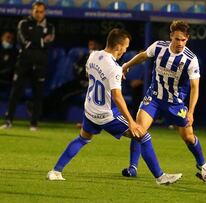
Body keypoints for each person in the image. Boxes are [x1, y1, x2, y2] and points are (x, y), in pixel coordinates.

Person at [46, 28, 182, 185]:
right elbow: (117, 97)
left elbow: (89, 76)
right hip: (107, 114)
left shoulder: (93, 56)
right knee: (143, 136)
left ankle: (55, 171)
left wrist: (109, 79)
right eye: (125, 47)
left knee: (83, 138)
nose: (125, 50)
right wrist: (131, 122)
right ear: (118, 46)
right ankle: (160, 177)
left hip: (90, 110)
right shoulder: (114, 68)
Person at [121, 20, 205, 177]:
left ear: (187, 39)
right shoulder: (159, 46)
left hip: (175, 104)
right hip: (153, 98)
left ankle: (202, 165)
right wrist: (127, 65)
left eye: (183, 40)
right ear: (171, 35)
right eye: (177, 38)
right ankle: (133, 168)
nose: (180, 43)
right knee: (139, 130)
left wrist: (191, 111)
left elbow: (195, 87)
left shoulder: (190, 59)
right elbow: (143, 56)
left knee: (188, 137)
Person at [0, 1, 55, 131]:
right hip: (24, 63)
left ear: (44, 12)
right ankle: (8, 121)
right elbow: (25, 43)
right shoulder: (23, 24)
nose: (39, 14)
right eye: (36, 11)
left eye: (41, 11)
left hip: (40, 64)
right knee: (15, 92)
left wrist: (36, 41)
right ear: (32, 11)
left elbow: (48, 43)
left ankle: (34, 123)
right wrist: (41, 40)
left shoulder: (50, 26)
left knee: (38, 94)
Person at [42, 39, 101, 120]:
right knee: (58, 91)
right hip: (79, 82)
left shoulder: (101, 58)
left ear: (98, 45)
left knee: (65, 95)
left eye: (93, 44)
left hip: (90, 85)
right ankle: (41, 111)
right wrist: (79, 73)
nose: (91, 46)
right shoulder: (86, 56)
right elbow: (77, 68)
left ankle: (45, 114)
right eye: (90, 44)